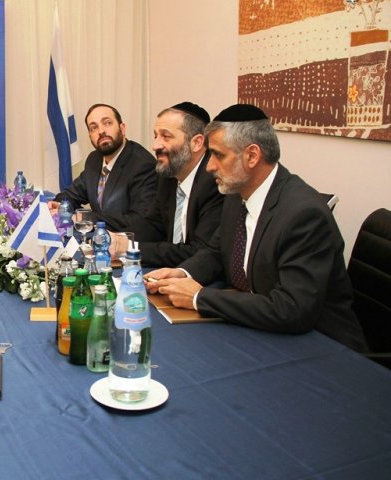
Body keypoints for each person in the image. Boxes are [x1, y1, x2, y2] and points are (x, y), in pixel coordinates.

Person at [146, 104, 366, 351]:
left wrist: (199, 297)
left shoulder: (304, 214)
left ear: (252, 156)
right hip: (260, 328)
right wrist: (182, 274)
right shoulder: (236, 193)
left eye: (218, 155)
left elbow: (292, 309)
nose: (209, 166)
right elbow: (216, 251)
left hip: (323, 346)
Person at [119, 102, 223, 266]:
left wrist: (132, 247)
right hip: (168, 269)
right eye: (155, 136)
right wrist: (120, 240)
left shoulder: (216, 182)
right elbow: (153, 224)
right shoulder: (168, 173)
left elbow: (198, 253)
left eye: (166, 137)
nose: (155, 146)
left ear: (196, 143)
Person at [48, 103, 157, 231]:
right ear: (90, 136)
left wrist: (85, 217)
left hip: (129, 246)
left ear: (122, 128)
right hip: (100, 242)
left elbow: (139, 222)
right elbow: (73, 194)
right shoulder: (94, 159)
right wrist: (60, 205)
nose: (101, 131)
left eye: (107, 123)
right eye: (93, 128)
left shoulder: (142, 165)